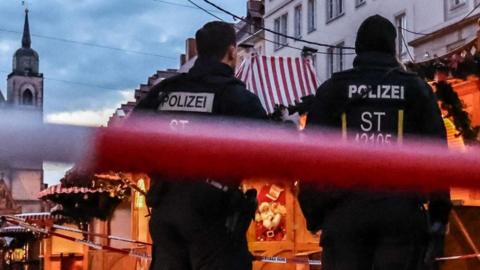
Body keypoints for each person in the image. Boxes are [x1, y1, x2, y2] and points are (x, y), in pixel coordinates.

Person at [299, 15, 451, 270]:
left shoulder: (333, 90)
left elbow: (310, 159)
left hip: (345, 216)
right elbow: (438, 158)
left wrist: (316, 215)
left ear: (357, 48)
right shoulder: (416, 89)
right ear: (393, 48)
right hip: (401, 218)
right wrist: (437, 221)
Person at [132, 21, 267, 270]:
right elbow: (270, 150)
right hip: (213, 214)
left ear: (200, 51)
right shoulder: (236, 97)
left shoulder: (165, 91)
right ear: (231, 52)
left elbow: (130, 137)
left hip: (166, 209)